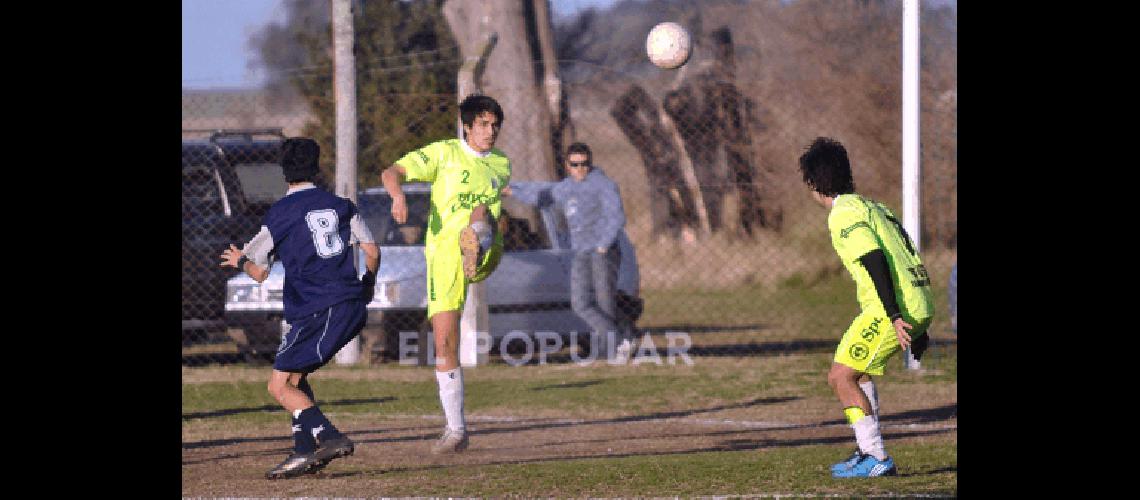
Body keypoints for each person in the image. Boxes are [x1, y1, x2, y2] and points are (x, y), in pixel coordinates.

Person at [219, 137, 380, 479]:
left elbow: (259, 272)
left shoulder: (280, 213)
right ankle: (303, 451)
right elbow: (372, 251)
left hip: (318, 309)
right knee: (294, 378)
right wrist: (367, 284)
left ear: (283, 171)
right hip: (350, 305)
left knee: (277, 387)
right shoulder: (342, 205)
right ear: (317, 168)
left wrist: (239, 261)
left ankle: (330, 437)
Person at [797, 137, 934, 478]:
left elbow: (874, 259)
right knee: (859, 372)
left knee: (840, 376)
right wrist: (920, 319)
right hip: (915, 301)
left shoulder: (843, 214)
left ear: (814, 184)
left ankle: (876, 457)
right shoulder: (875, 207)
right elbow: (904, 257)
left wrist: (896, 316)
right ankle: (867, 451)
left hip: (890, 310)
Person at [380, 94, 510, 454]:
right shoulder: (444, 153)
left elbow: (491, 202)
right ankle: (456, 430)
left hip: (487, 246)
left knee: (481, 212)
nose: (490, 131)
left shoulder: (500, 164)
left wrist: (483, 230)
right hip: (445, 257)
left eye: (495, 125)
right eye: (483, 124)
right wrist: (398, 196)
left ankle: (476, 239)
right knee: (444, 341)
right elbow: (392, 172)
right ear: (467, 126)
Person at [502, 142, 633, 361]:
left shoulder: (603, 185)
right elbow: (542, 193)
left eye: (585, 164)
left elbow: (617, 217)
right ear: (567, 166)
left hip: (603, 253)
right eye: (575, 164)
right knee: (580, 303)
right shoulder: (567, 186)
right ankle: (620, 340)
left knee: (604, 302)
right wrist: (512, 190)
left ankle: (609, 351)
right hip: (581, 252)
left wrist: (603, 245)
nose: (580, 169)